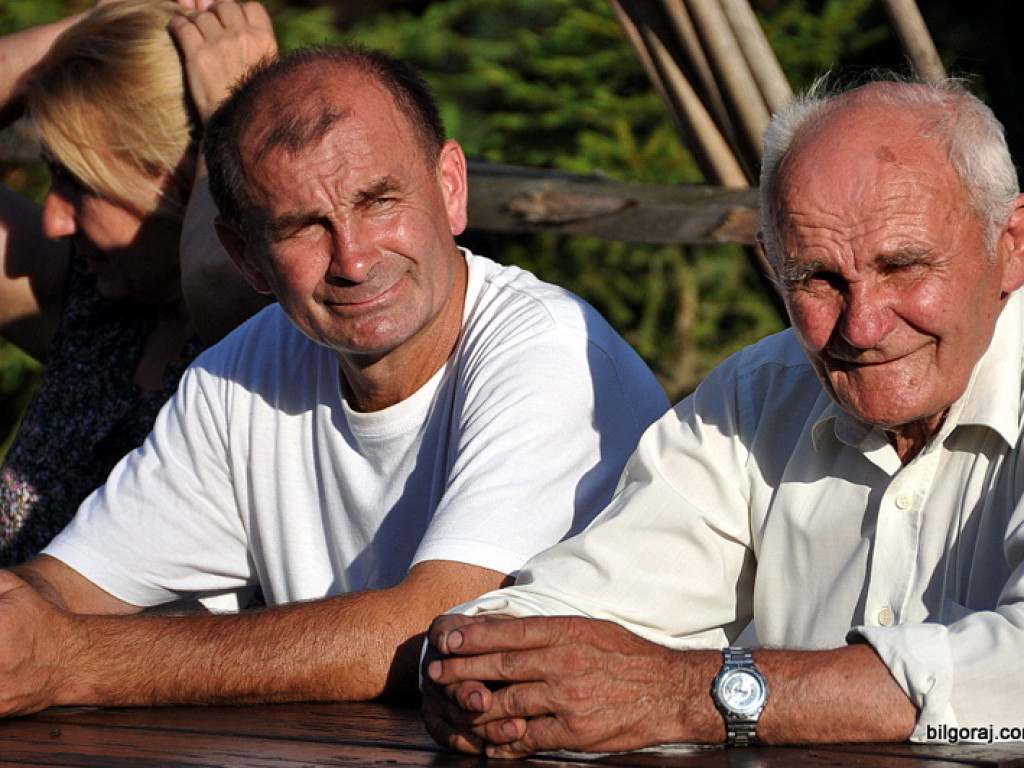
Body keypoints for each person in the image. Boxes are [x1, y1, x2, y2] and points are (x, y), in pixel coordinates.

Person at [0, 44, 669, 716]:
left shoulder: (555, 354)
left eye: (378, 201)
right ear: (247, 258)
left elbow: (436, 630)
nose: (353, 258)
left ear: (450, 188)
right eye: (303, 228)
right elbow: (65, 587)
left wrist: (74, 662)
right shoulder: (237, 377)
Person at [422, 75, 1024, 756]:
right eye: (818, 278)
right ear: (773, 264)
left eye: (905, 268)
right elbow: (567, 608)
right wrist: (477, 671)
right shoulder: (755, 396)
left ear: (1011, 244)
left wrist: (702, 695)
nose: (862, 326)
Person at [0, 0, 273, 565]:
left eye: (80, 184)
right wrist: (97, 27)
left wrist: (237, 108)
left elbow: (223, 286)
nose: (54, 221)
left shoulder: (271, 336)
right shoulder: (92, 306)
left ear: (185, 180)